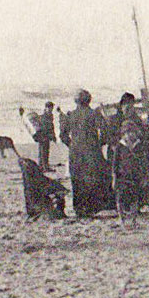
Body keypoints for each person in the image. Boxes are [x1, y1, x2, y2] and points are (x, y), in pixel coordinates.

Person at [59, 89, 113, 217]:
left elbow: (63, 135)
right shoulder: (94, 113)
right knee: (97, 177)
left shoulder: (70, 115)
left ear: (76, 101)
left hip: (76, 152)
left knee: (77, 179)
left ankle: (80, 208)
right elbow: (105, 130)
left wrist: (71, 145)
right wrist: (100, 143)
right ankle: (97, 206)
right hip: (92, 150)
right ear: (89, 100)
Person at [110, 118, 149, 226]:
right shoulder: (119, 146)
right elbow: (115, 163)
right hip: (122, 177)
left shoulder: (139, 146)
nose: (129, 135)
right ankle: (122, 219)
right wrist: (114, 178)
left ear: (136, 133)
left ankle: (133, 219)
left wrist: (145, 176)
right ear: (123, 134)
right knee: (120, 199)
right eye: (126, 133)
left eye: (131, 132)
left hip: (135, 176)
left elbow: (144, 162)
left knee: (135, 198)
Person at [17, 154, 67, 219]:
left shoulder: (29, 182)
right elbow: (62, 191)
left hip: (36, 210)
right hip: (45, 211)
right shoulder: (42, 180)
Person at [33, 100, 57, 171]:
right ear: (46, 108)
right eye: (50, 108)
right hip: (43, 136)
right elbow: (44, 127)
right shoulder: (43, 117)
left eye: (51, 108)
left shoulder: (50, 116)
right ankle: (44, 167)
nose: (51, 110)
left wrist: (53, 135)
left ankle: (43, 166)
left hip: (47, 136)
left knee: (45, 151)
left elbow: (51, 126)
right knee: (43, 152)